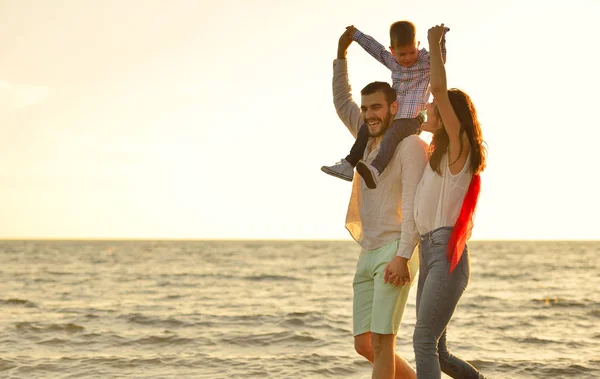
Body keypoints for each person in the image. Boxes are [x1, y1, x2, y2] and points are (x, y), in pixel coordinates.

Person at [385, 24, 488, 379]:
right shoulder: (433, 158)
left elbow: (440, 89)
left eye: (435, 106)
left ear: (448, 119)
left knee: (423, 340)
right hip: (428, 255)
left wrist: (432, 44)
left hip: (446, 254)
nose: (427, 106)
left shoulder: (459, 154)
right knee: (437, 351)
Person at [332, 28, 428, 379]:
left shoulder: (409, 146)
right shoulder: (366, 137)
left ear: (394, 108)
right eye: (366, 107)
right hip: (367, 249)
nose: (370, 114)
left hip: (394, 250)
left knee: (384, 342)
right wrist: (341, 55)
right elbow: (342, 100)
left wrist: (403, 255)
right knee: (364, 344)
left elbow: (414, 206)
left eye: (377, 107)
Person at [322, 22, 448, 190]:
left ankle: (375, 169)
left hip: (412, 119)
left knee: (393, 133)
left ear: (418, 45)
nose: (408, 58)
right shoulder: (394, 63)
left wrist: (439, 40)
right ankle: (349, 164)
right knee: (365, 129)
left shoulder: (424, 62)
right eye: (402, 54)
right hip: (393, 116)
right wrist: (356, 34)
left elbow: (440, 60)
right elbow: (376, 50)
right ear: (393, 51)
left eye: (412, 51)